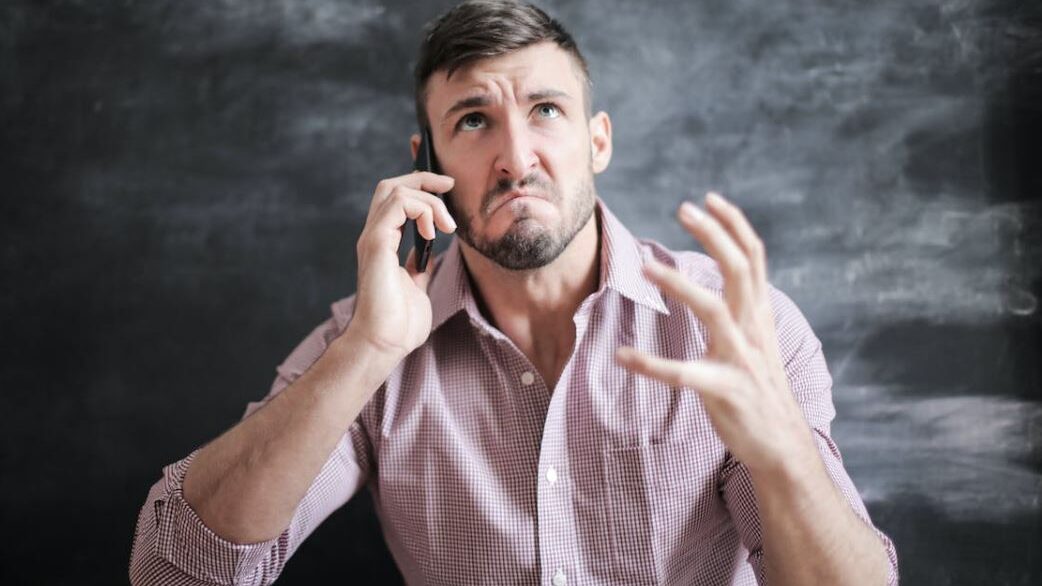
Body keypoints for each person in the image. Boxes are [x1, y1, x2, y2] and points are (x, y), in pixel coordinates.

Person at [129, 1, 899, 584]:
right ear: (422, 162)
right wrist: (367, 351)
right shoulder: (372, 340)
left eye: (546, 111)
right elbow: (172, 571)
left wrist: (784, 454)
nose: (515, 157)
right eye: (473, 121)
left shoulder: (733, 327)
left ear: (597, 140)